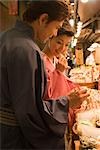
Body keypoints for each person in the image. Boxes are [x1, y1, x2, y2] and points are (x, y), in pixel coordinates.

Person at [0, 1, 89, 149]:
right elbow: (31, 112)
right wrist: (67, 103)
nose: (54, 33)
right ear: (43, 19)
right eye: (56, 27)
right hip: (15, 136)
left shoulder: (5, 37)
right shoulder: (27, 49)